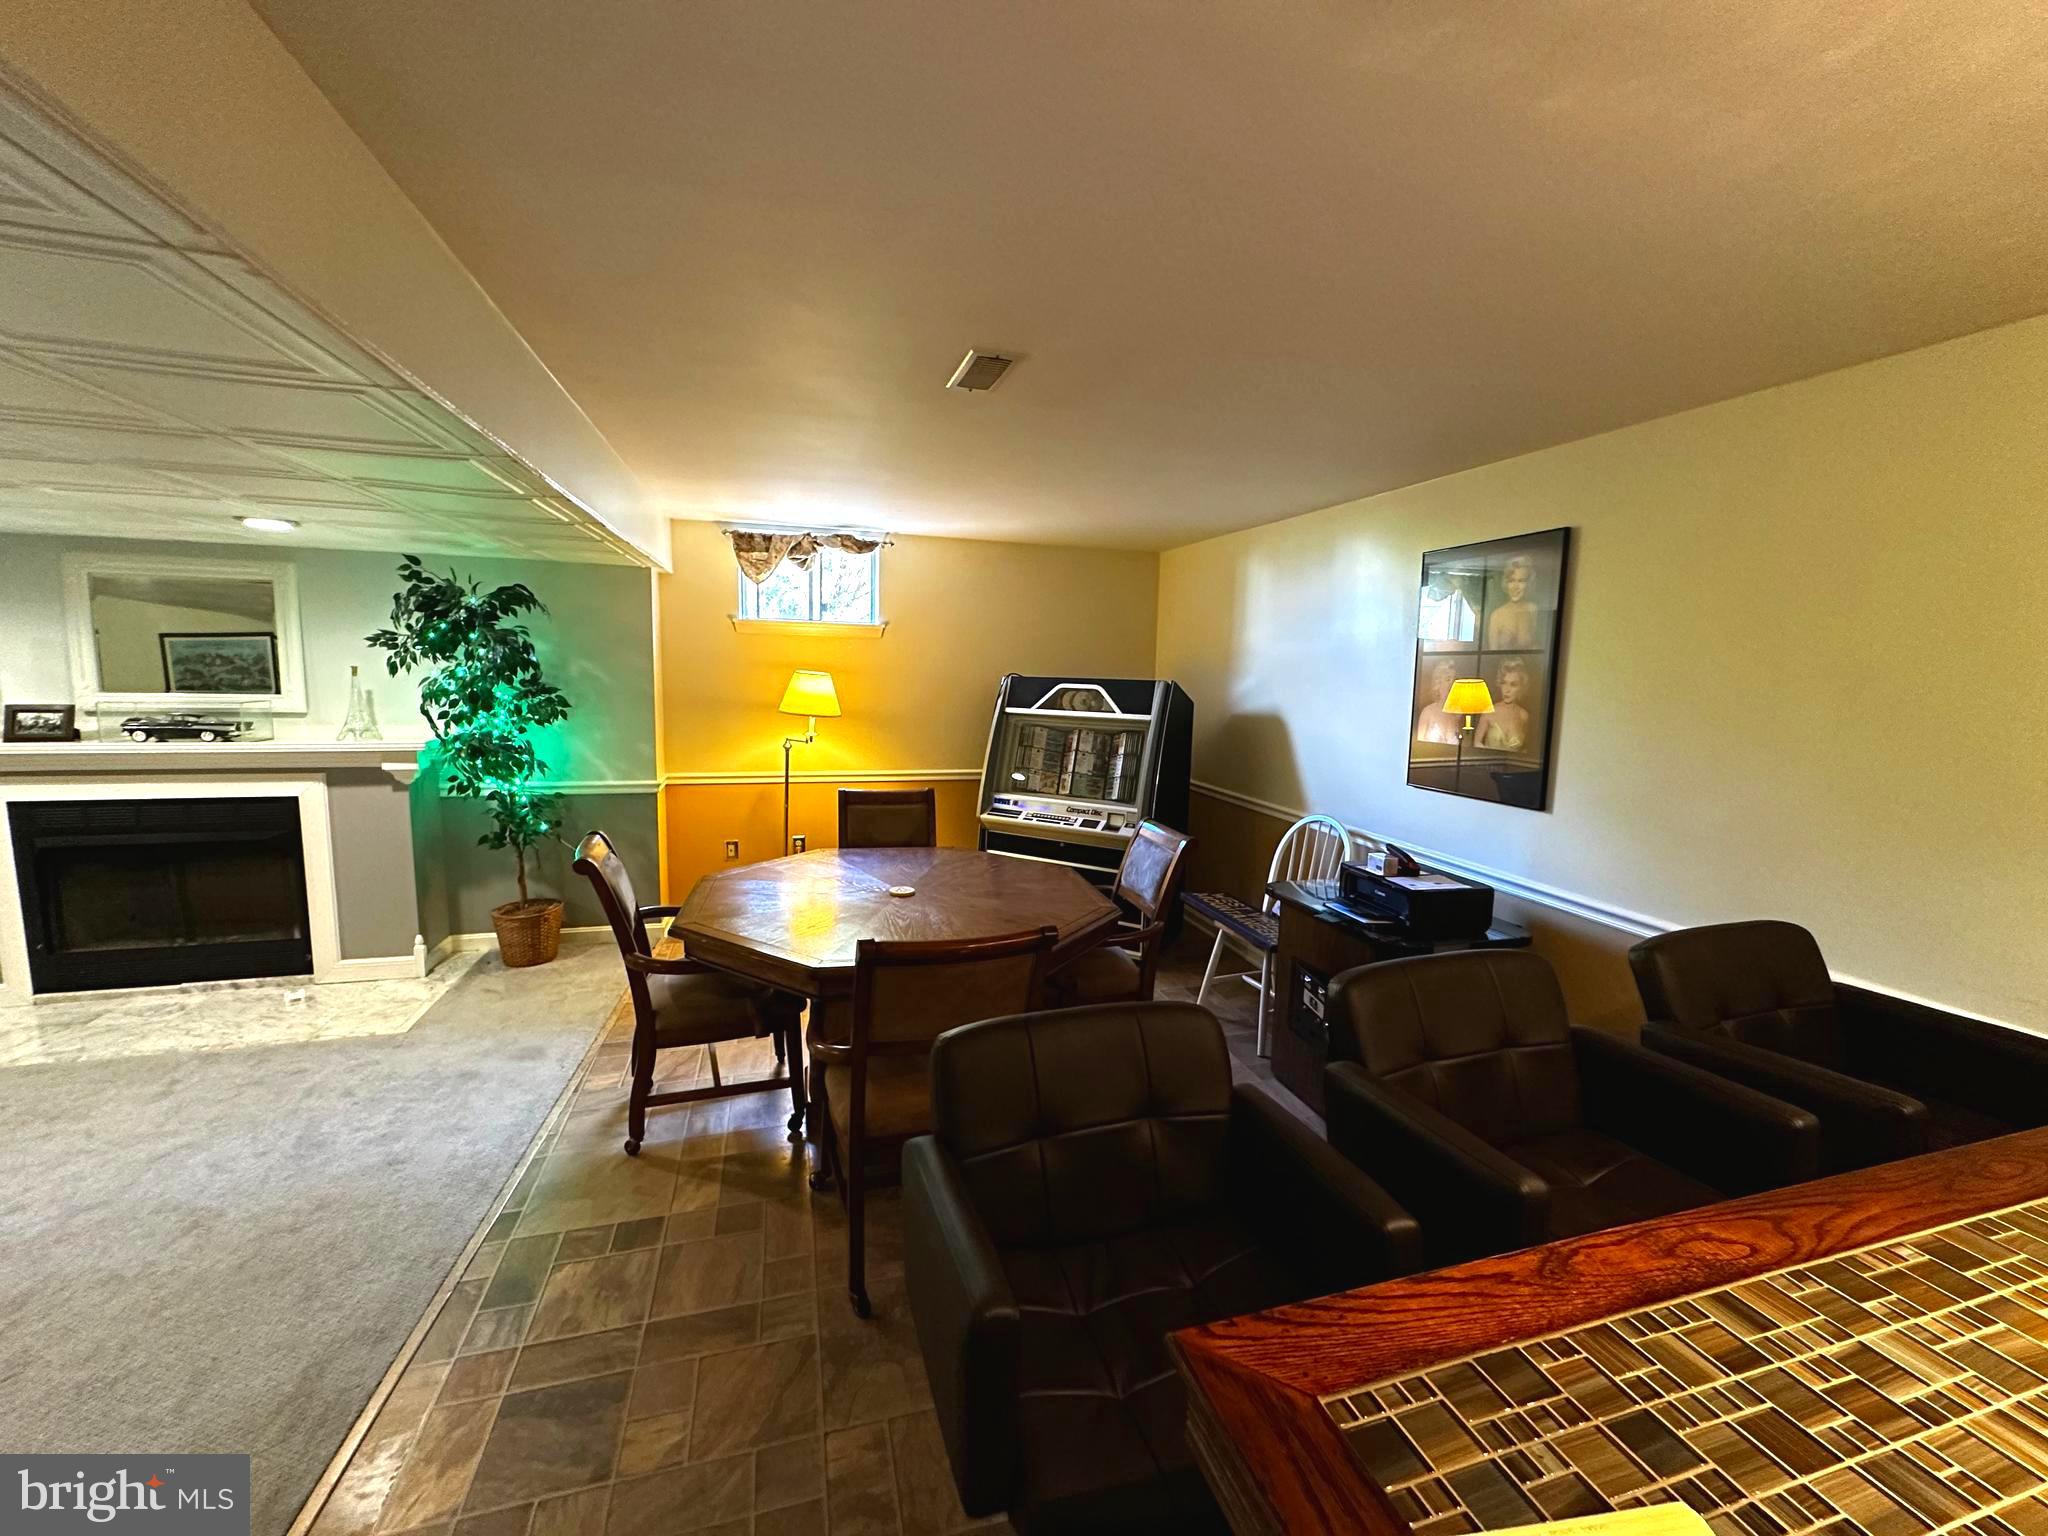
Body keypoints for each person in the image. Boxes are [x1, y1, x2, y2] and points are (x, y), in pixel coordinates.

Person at [1485, 555, 1541, 649]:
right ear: (1506, 583)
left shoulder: (1534, 610)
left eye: (1521, 581)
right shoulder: (1497, 615)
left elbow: (1540, 650)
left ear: (1529, 583)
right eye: (1511, 581)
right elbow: (1492, 655)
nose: (1515, 587)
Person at [1477, 657, 1533, 750]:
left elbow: (1525, 750)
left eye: (1513, 684)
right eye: (1504, 683)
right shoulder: (1489, 711)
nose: (1507, 690)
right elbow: (1476, 744)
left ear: (1521, 687)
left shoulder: (1523, 716)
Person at [1413, 659, 1462, 744]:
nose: (1452, 684)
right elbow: (1418, 747)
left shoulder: (1459, 713)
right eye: (1448, 679)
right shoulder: (1427, 712)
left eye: (1454, 680)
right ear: (1438, 683)